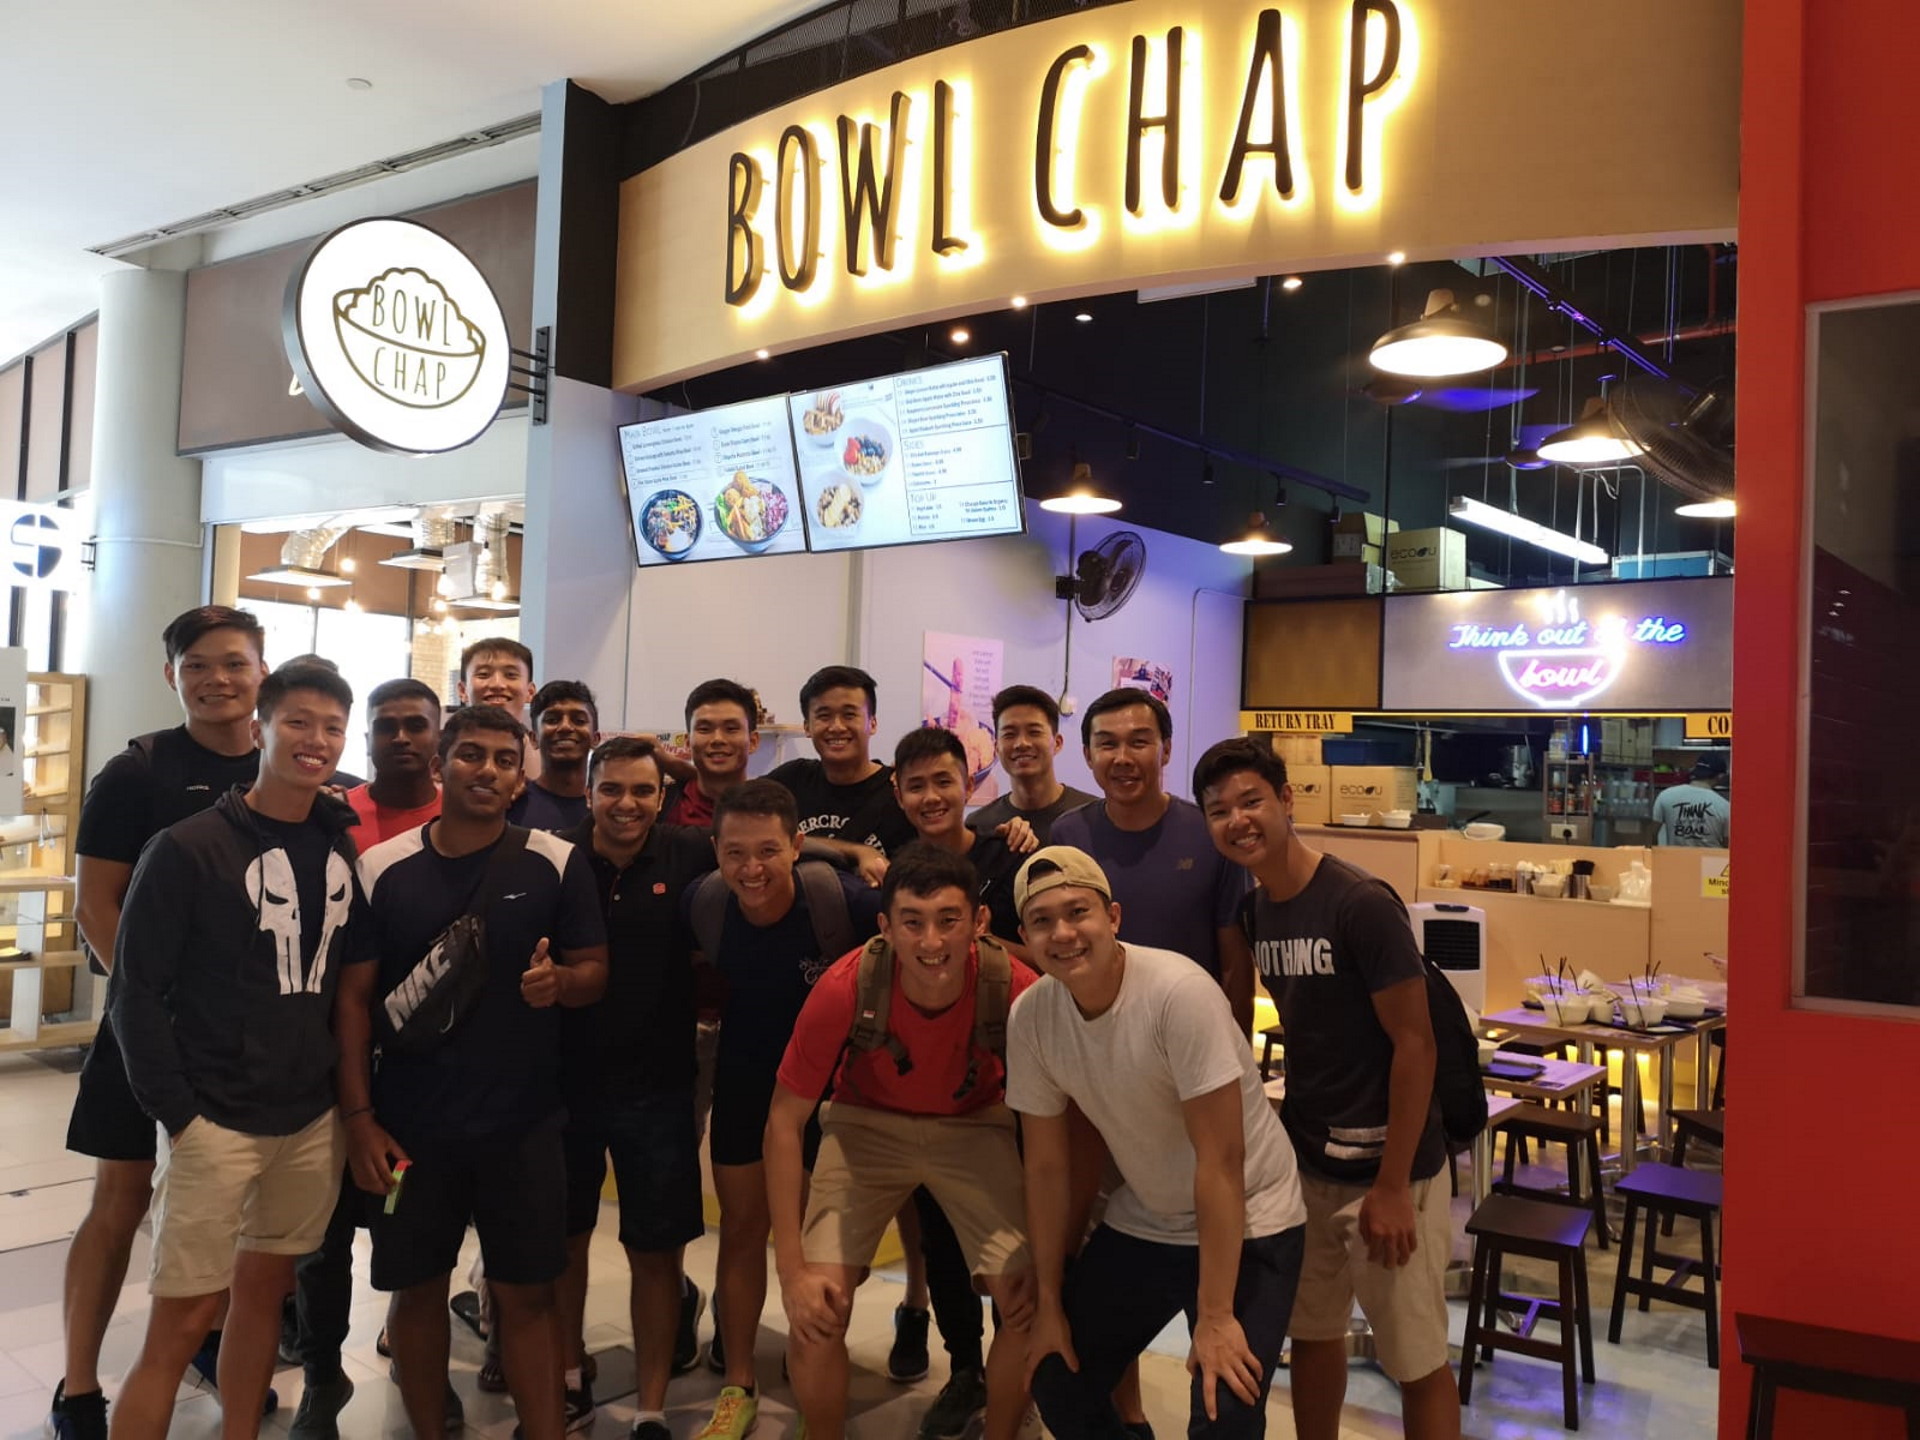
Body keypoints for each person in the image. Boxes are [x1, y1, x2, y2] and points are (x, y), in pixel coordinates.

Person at [106, 664, 367, 1440]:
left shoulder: (337, 844)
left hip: (306, 1119)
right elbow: (133, 994)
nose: (316, 740)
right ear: (260, 730)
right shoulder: (187, 848)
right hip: (213, 1121)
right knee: (182, 1323)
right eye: (298, 722)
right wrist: (180, 1118)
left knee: (263, 1298)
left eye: (331, 727)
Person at [339, 705, 608, 1440]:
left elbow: (594, 969)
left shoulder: (555, 861)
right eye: (470, 755)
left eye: (503, 760)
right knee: (414, 1292)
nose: (486, 770)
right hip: (408, 1133)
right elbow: (353, 1002)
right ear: (440, 767)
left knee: (529, 1298)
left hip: (524, 1128)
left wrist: (562, 983)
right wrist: (359, 1121)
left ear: (520, 779)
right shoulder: (382, 868)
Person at [1192, 738, 1457, 1440]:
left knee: (1416, 1360)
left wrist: (1393, 1185)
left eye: (1251, 801)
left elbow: (1416, 1044)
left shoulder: (1360, 903)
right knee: (1312, 1336)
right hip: (1307, 1165)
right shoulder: (1256, 913)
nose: (1237, 820)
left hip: (1392, 1172)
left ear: (1286, 800)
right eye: (1219, 810)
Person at [50, 605, 270, 1440]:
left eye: (235, 663)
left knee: (234, 1205)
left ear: (261, 670)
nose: (218, 679)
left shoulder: (286, 765)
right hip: (144, 1038)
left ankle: (211, 1343)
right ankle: (78, 1385)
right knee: (121, 1199)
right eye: (198, 665)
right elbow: (95, 907)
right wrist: (153, 1012)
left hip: (244, 1041)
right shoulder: (136, 773)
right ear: (172, 675)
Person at [1007, 846, 1307, 1440]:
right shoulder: (1031, 1017)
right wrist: (1049, 1302)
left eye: (1078, 912)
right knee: (1057, 1377)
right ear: (1025, 937)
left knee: (1226, 1410)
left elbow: (1222, 1162)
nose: (1062, 933)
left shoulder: (1178, 992)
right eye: (1042, 921)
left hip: (1252, 1213)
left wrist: (1215, 1317)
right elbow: (1045, 1168)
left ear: (1113, 917)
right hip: (1151, 1214)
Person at [769, 844, 1040, 1440]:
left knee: (1027, 1302)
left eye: (949, 920)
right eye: (912, 922)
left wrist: (1045, 1253)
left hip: (975, 1125)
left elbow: (1053, 1124)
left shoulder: (1015, 986)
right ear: (885, 927)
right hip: (864, 1126)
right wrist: (791, 1272)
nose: (931, 941)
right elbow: (784, 1122)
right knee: (817, 1309)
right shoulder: (846, 986)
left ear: (979, 921)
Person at [684, 779, 882, 1440]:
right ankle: (738, 1382)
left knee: (825, 1250)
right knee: (742, 1232)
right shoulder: (706, 904)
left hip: (830, 1097)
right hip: (747, 1086)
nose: (752, 869)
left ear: (797, 846)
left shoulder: (841, 902)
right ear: (716, 851)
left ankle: (813, 1376)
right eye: (735, 853)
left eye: (768, 851)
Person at [556, 736, 716, 1439]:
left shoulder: (690, 852)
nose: (627, 804)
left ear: (664, 796)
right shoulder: (556, 856)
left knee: (656, 1253)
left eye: (644, 791)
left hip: (660, 1087)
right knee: (566, 1242)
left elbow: (767, 832)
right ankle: (569, 1375)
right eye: (612, 789)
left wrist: (854, 853)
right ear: (588, 793)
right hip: (564, 1085)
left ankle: (651, 1405)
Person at [1049, 689, 1254, 1035]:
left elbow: (1235, 962)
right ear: (1087, 755)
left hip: (1191, 1032)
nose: (1122, 758)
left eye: (1139, 742)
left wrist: (1237, 1051)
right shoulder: (1068, 834)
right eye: (1107, 744)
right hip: (1095, 1033)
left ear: (1166, 749)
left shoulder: (1209, 832)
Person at [768, 665, 914, 886]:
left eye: (849, 715)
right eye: (824, 716)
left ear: (872, 723)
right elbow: (746, 831)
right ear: (807, 727)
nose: (837, 727)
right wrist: (859, 851)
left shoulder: (899, 792)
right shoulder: (790, 780)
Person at [894, 726, 1027, 949]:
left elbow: (1047, 958)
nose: (931, 797)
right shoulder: (899, 869)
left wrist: (985, 940)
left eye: (943, 782)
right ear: (899, 797)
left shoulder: (1009, 857)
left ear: (968, 786)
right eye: (916, 787)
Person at [966, 685, 1095, 847]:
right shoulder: (980, 826)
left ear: (1057, 743)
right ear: (997, 748)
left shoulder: (1091, 817)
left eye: (1034, 732)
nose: (1022, 743)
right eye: (1009, 734)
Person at [343, 678, 443, 845]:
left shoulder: (461, 815)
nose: (400, 738)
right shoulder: (337, 815)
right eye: (385, 728)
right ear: (368, 741)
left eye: (416, 726)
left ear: (440, 739)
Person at [664, 678, 761, 828]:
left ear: (753, 741)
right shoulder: (661, 806)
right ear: (688, 743)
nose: (718, 739)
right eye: (704, 729)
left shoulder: (772, 812)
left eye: (731, 729)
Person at [509, 680, 598, 830]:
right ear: (534, 738)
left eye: (579, 720)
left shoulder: (606, 808)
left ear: (595, 739)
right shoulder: (510, 803)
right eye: (552, 720)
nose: (565, 727)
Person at [1653, 756, 1731, 847]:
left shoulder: (1666, 795)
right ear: (1720, 776)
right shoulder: (1725, 806)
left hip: (1675, 856)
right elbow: (1728, 846)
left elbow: (1652, 833)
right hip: (1711, 856)